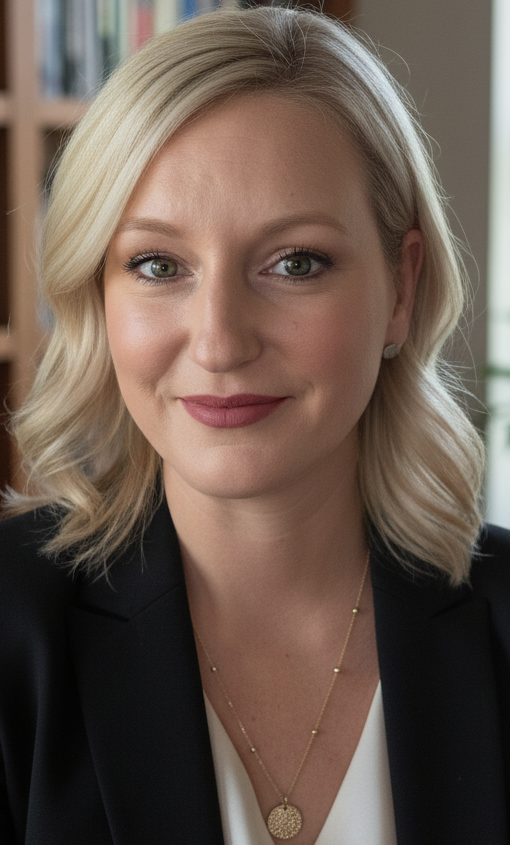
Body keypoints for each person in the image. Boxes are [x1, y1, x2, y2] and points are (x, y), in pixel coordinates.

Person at [1, 6, 509, 844]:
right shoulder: (13, 628)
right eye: (158, 265)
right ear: (99, 295)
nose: (220, 340)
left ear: (402, 289)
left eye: (295, 262)